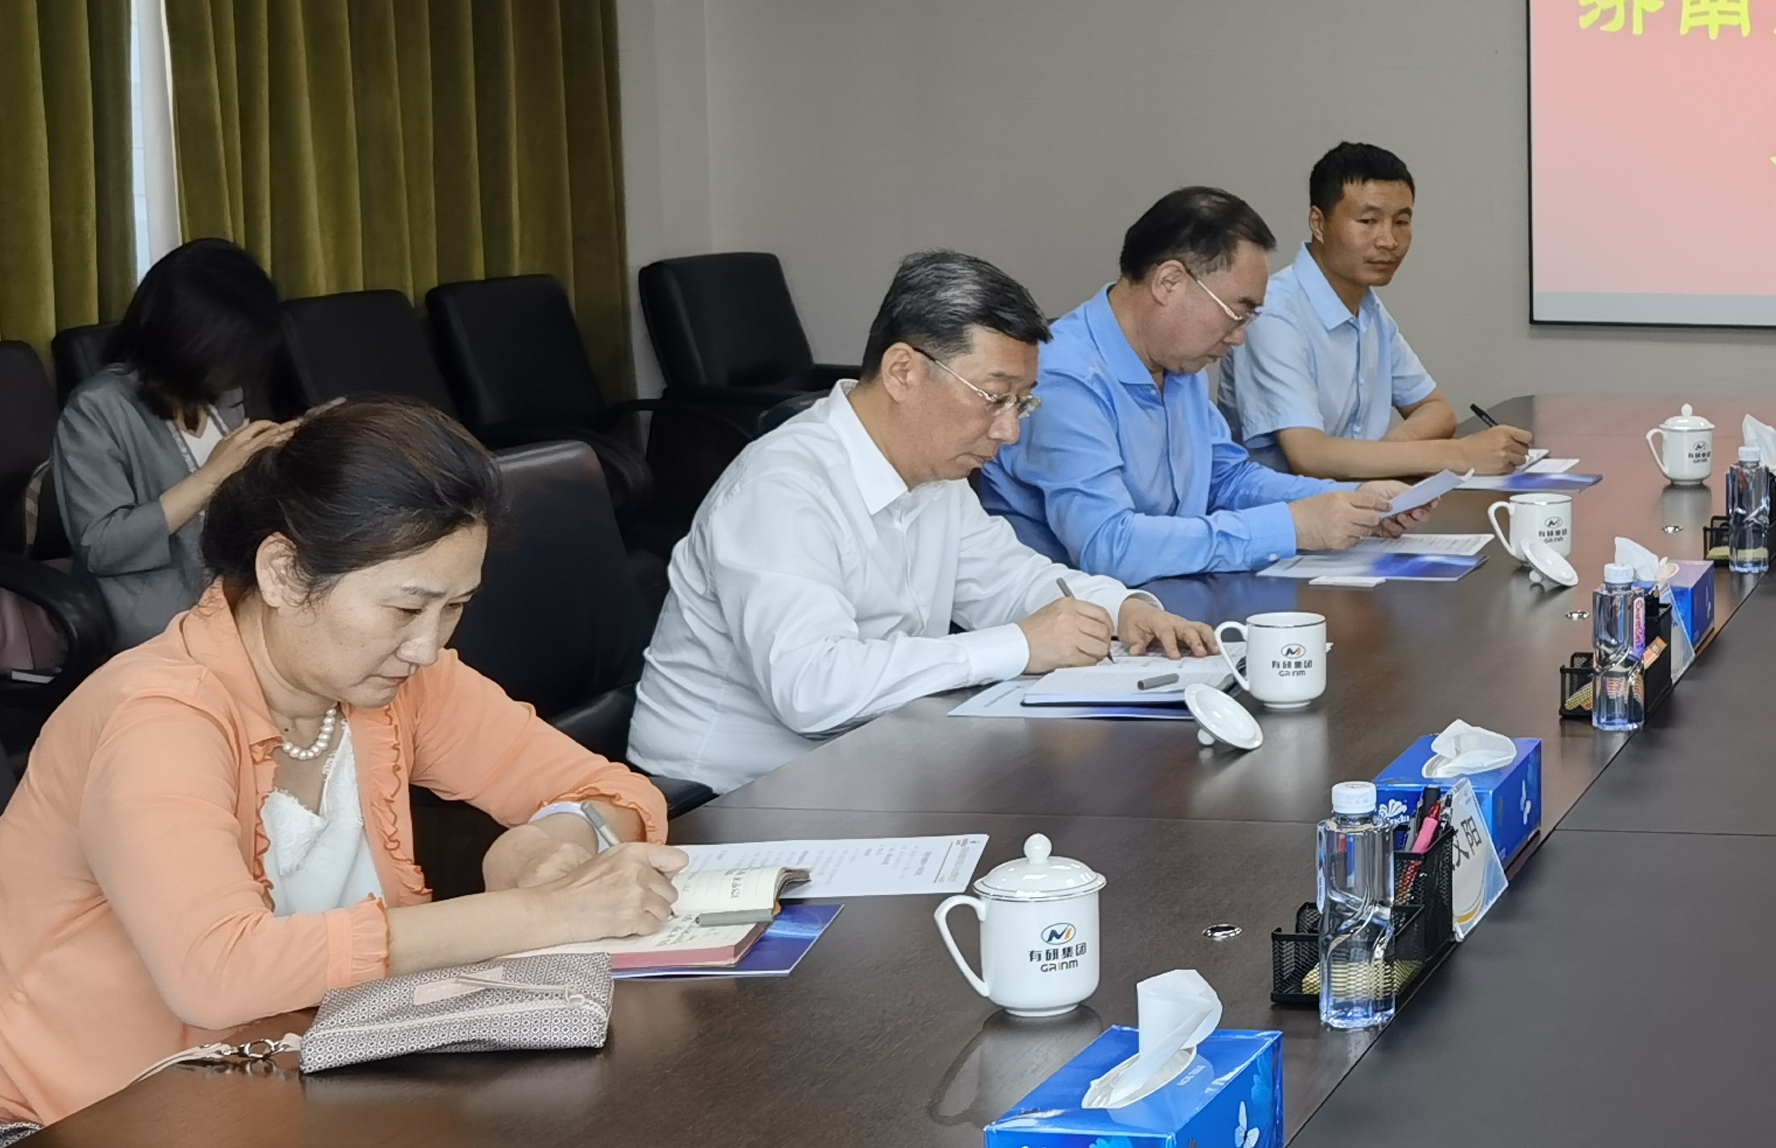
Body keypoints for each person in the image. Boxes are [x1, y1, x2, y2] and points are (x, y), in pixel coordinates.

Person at [0, 403, 683, 1135]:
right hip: (65, 1133)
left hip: (279, 1092)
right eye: (405, 609)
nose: (429, 646)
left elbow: (612, 788)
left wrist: (558, 836)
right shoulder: (160, 716)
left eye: (456, 606)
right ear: (285, 573)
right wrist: (544, 913)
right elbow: (217, 972)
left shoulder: (397, 681)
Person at [630, 251, 1216, 797]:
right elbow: (811, 687)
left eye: (1022, 403)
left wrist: (1121, 609)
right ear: (903, 371)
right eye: (994, 397)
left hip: (865, 767)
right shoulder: (781, 488)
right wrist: (1019, 645)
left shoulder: (935, 474)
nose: (1009, 431)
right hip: (722, 800)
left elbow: (1011, 581)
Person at [978, 187, 1398, 582]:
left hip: (1171, 596)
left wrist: (1355, 499)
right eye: (1236, 314)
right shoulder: (1063, 377)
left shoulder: (1177, 365)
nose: (1238, 337)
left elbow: (1227, 480)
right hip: (1075, 617)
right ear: (1169, 282)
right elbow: (1109, 546)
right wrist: (1290, 527)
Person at [1224, 142, 1530, 483]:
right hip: (1286, 513)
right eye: (1368, 221)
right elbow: (1309, 455)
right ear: (1318, 223)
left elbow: (1436, 409)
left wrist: (1378, 456)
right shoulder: (1273, 314)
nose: (1388, 240)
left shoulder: (1368, 307)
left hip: (1360, 504)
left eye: (1401, 221)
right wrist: (1457, 455)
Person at [54, 238, 298, 649]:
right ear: (188, 343)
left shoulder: (224, 393)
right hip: (160, 622)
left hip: (245, 601)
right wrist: (212, 477)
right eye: (229, 354)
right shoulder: (96, 410)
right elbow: (102, 547)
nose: (239, 370)